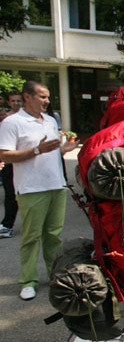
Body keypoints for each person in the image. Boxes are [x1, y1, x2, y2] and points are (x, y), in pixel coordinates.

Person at [0, 81, 78, 300]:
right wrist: (36, 149)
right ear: (28, 96)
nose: (46, 101)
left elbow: (50, 153)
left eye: (47, 97)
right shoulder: (12, 122)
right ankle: (27, 280)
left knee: (53, 236)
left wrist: (64, 150)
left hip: (56, 184)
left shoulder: (51, 120)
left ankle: (55, 276)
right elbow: (4, 155)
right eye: (42, 97)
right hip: (31, 188)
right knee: (32, 237)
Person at [0, 89, 23, 238]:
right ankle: (7, 225)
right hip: (8, 162)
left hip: (24, 162)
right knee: (10, 194)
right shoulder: (5, 120)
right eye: (13, 101)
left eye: (18, 101)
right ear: (9, 102)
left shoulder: (27, 119)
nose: (15, 103)